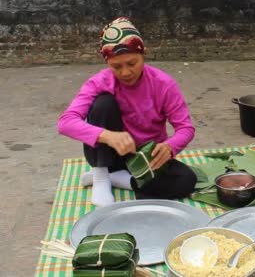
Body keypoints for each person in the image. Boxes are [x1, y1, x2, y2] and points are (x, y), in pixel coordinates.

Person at [57, 17, 197, 207]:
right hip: (112, 155)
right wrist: (107, 136)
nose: (125, 72)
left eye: (132, 63)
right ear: (107, 63)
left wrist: (170, 147)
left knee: (186, 180)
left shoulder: (163, 84)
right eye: (116, 66)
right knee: (102, 104)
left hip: (146, 158)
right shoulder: (100, 82)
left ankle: (121, 180)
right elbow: (66, 123)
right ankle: (101, 176)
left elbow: (185, 128)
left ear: (144, 55)